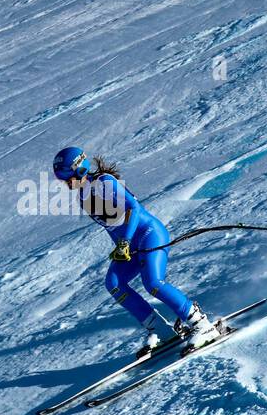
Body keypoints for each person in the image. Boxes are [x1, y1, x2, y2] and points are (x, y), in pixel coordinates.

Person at [52, 146, 219, 356]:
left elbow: (133, 208)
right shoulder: (83, 196)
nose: (65, 183)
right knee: (114, 283)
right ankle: (162, 330)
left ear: (79, 170)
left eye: (67, 177)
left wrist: (124, 242)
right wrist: (121, 246)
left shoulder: (104, 182)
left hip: (149, 233)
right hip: (130, 244)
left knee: (153, 283)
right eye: (62, 179)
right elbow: (112, 225)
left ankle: (203, 325)